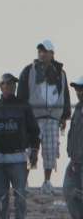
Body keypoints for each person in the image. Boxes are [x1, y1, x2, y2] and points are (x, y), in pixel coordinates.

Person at [17, 40, 70, 195]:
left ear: (52, 53)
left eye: (45, 51)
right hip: (34, 115)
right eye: (40, 51)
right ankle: (24, 182)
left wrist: (65, 115)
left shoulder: (60, 73)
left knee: (51, 150)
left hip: (53, 116)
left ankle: (47, 182)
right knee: (29, 149)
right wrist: (22, 113)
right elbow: (22, 93)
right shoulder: (29, 70)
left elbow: (64, 94)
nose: (42, 54)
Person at [0, 73, 40, 219]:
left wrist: (35, 150)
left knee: (20, 195)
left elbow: (34, 130)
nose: (10, 87)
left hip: (18, 157)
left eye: (13, 84)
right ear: (1, 86)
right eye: (7, 84)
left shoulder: (23, 106)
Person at [64, 77, 83, 219]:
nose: (79, 92)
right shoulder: (78, 108)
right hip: (75, 160)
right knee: (70, 190)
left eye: (81, 88)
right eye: (77, 89)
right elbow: (73, 134)